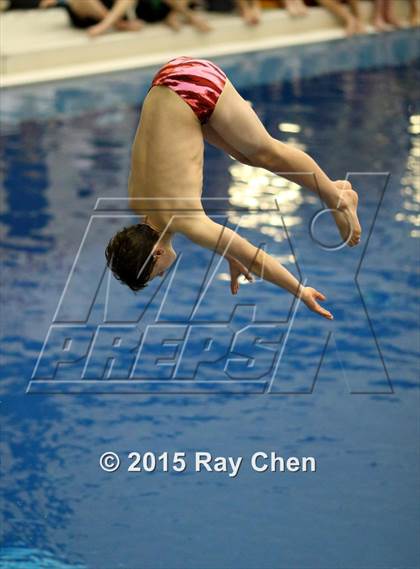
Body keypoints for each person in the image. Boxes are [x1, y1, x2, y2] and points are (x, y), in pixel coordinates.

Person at [105, 57, 362, 320]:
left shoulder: (184, 220)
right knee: (247, 156)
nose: (162, 274)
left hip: (193, 87)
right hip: (167, 84)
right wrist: (229, 253)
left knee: (267, 152)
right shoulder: (138, 204)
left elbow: (256, 258)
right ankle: (333, 188)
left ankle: (338, 199)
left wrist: (300, 291)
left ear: (157, 253)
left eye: (156, 272)